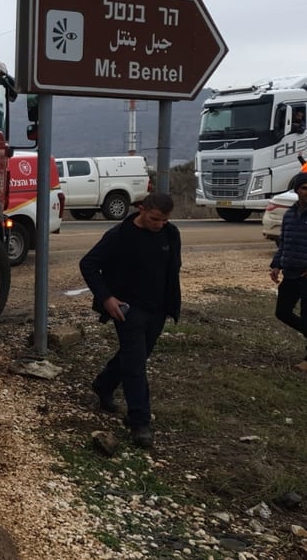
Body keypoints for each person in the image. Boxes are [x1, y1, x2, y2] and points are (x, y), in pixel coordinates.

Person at [80, 192, 181, 450]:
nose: (159, 224)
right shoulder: (119, 236)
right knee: (135, 363)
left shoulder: (171, 234)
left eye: (164, 220)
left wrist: (172, 305)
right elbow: (88, 264)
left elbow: (172, 270)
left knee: (136, 354)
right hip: (127, 308)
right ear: (141, 210)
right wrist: (107, 299)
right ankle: (140, 422)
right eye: (155, 219)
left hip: (157, 308)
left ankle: (103, 385)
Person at [270, 171, 307, 373]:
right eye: (304, 188)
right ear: (297, 190)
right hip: (290, 272)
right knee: (282, 312)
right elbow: (284, 243)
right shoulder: (289, 214)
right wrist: (276, 264)